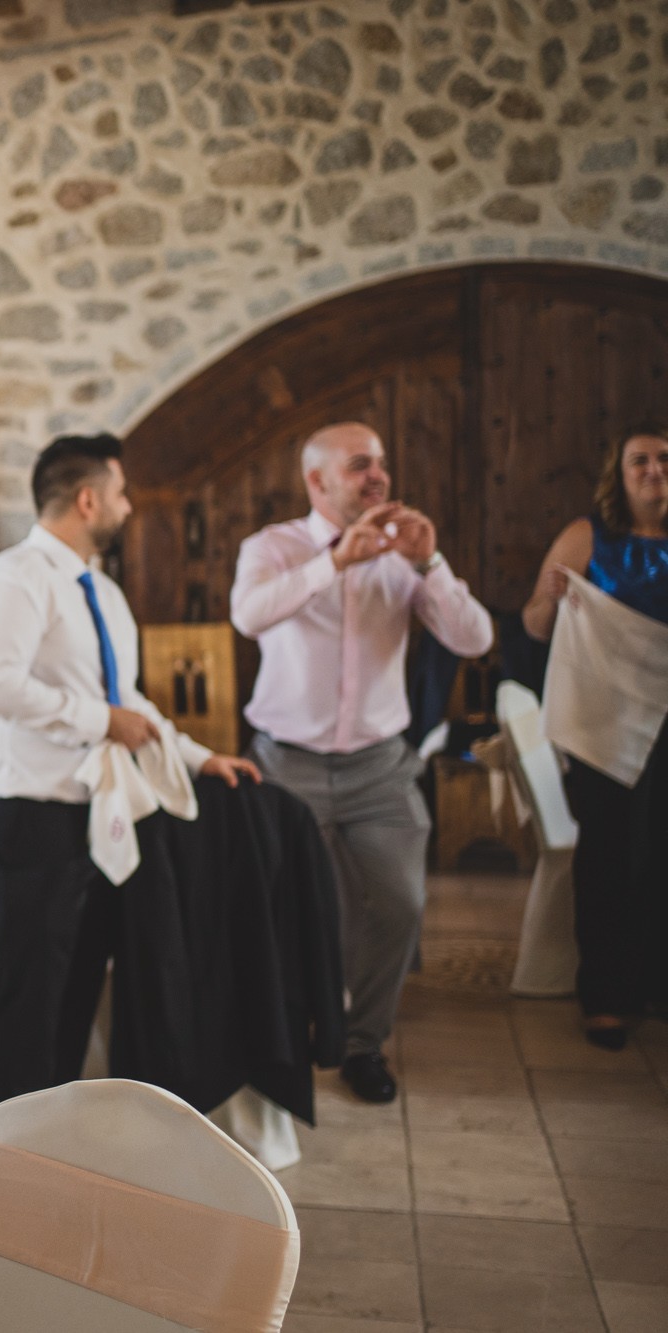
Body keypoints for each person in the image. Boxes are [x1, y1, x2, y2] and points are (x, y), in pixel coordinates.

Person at [0, 434, 261, 1106]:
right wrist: (100, 720)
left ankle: (59, 1136)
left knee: (78, 982)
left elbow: (129, 701)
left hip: (88, 810)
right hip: (20, 812)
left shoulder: (104, 593)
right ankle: (15, 1163)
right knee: (33, 992)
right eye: (120, 492)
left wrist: (201, 757)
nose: (128, 505)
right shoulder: (13, 579)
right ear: (88, 500)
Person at [231, 422, 494, 1104]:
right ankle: (282, 1037)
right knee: (286, 910)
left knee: (401, 905)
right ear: (318, 482)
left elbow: (475, 636)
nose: (378, 475)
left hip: (381, 766)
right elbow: (249, 614)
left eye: (380, 463)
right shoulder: (273, 547)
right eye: (359, 465)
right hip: (287, 765)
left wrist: (430, 563)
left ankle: (361, 1042)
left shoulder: (405, 553)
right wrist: (335, 562)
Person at [521, 426, 668, 1050]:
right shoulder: (587, 537)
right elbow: (532, 626)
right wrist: (553, 601)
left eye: (665, 460)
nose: (655, 470)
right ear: (620, 471)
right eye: (641, 460)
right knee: (608, 855)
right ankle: (605, 994)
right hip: (604, 722)